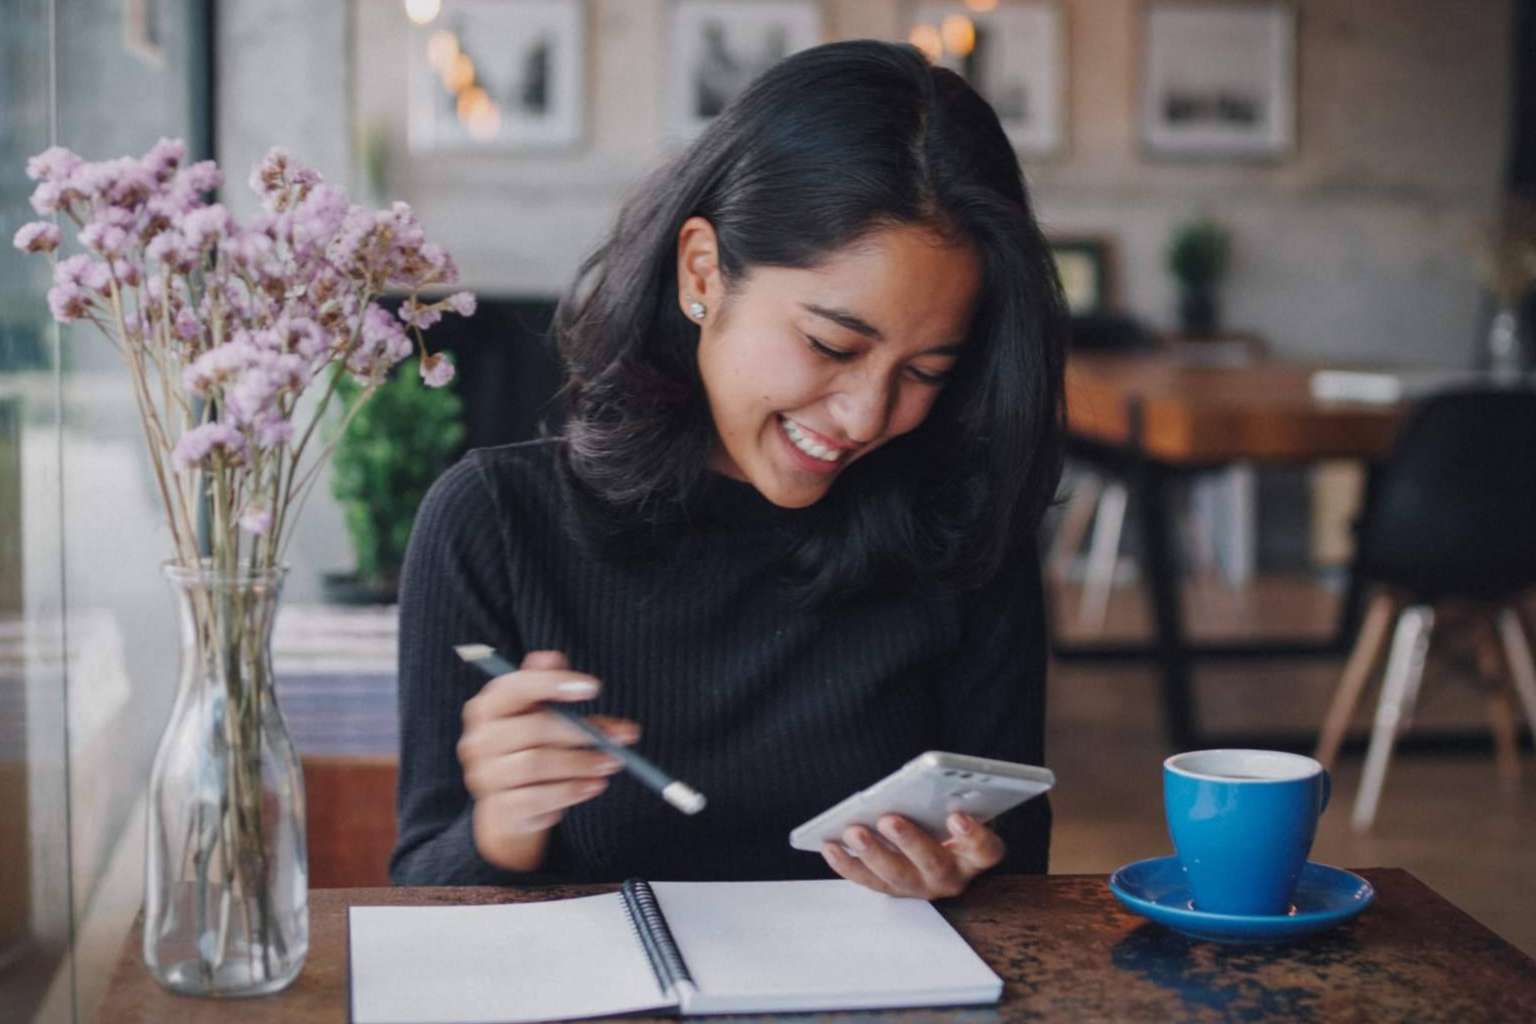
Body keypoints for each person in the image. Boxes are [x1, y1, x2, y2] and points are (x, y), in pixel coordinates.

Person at [391, 38, 1066, 900]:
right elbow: (419, 893)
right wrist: (501, 826)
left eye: (926, 371)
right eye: (830, 344)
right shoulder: (492, 522)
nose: (867, 416)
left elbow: (1026, 877)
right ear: (702, 270)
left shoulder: (966, 529)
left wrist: (966, 877)